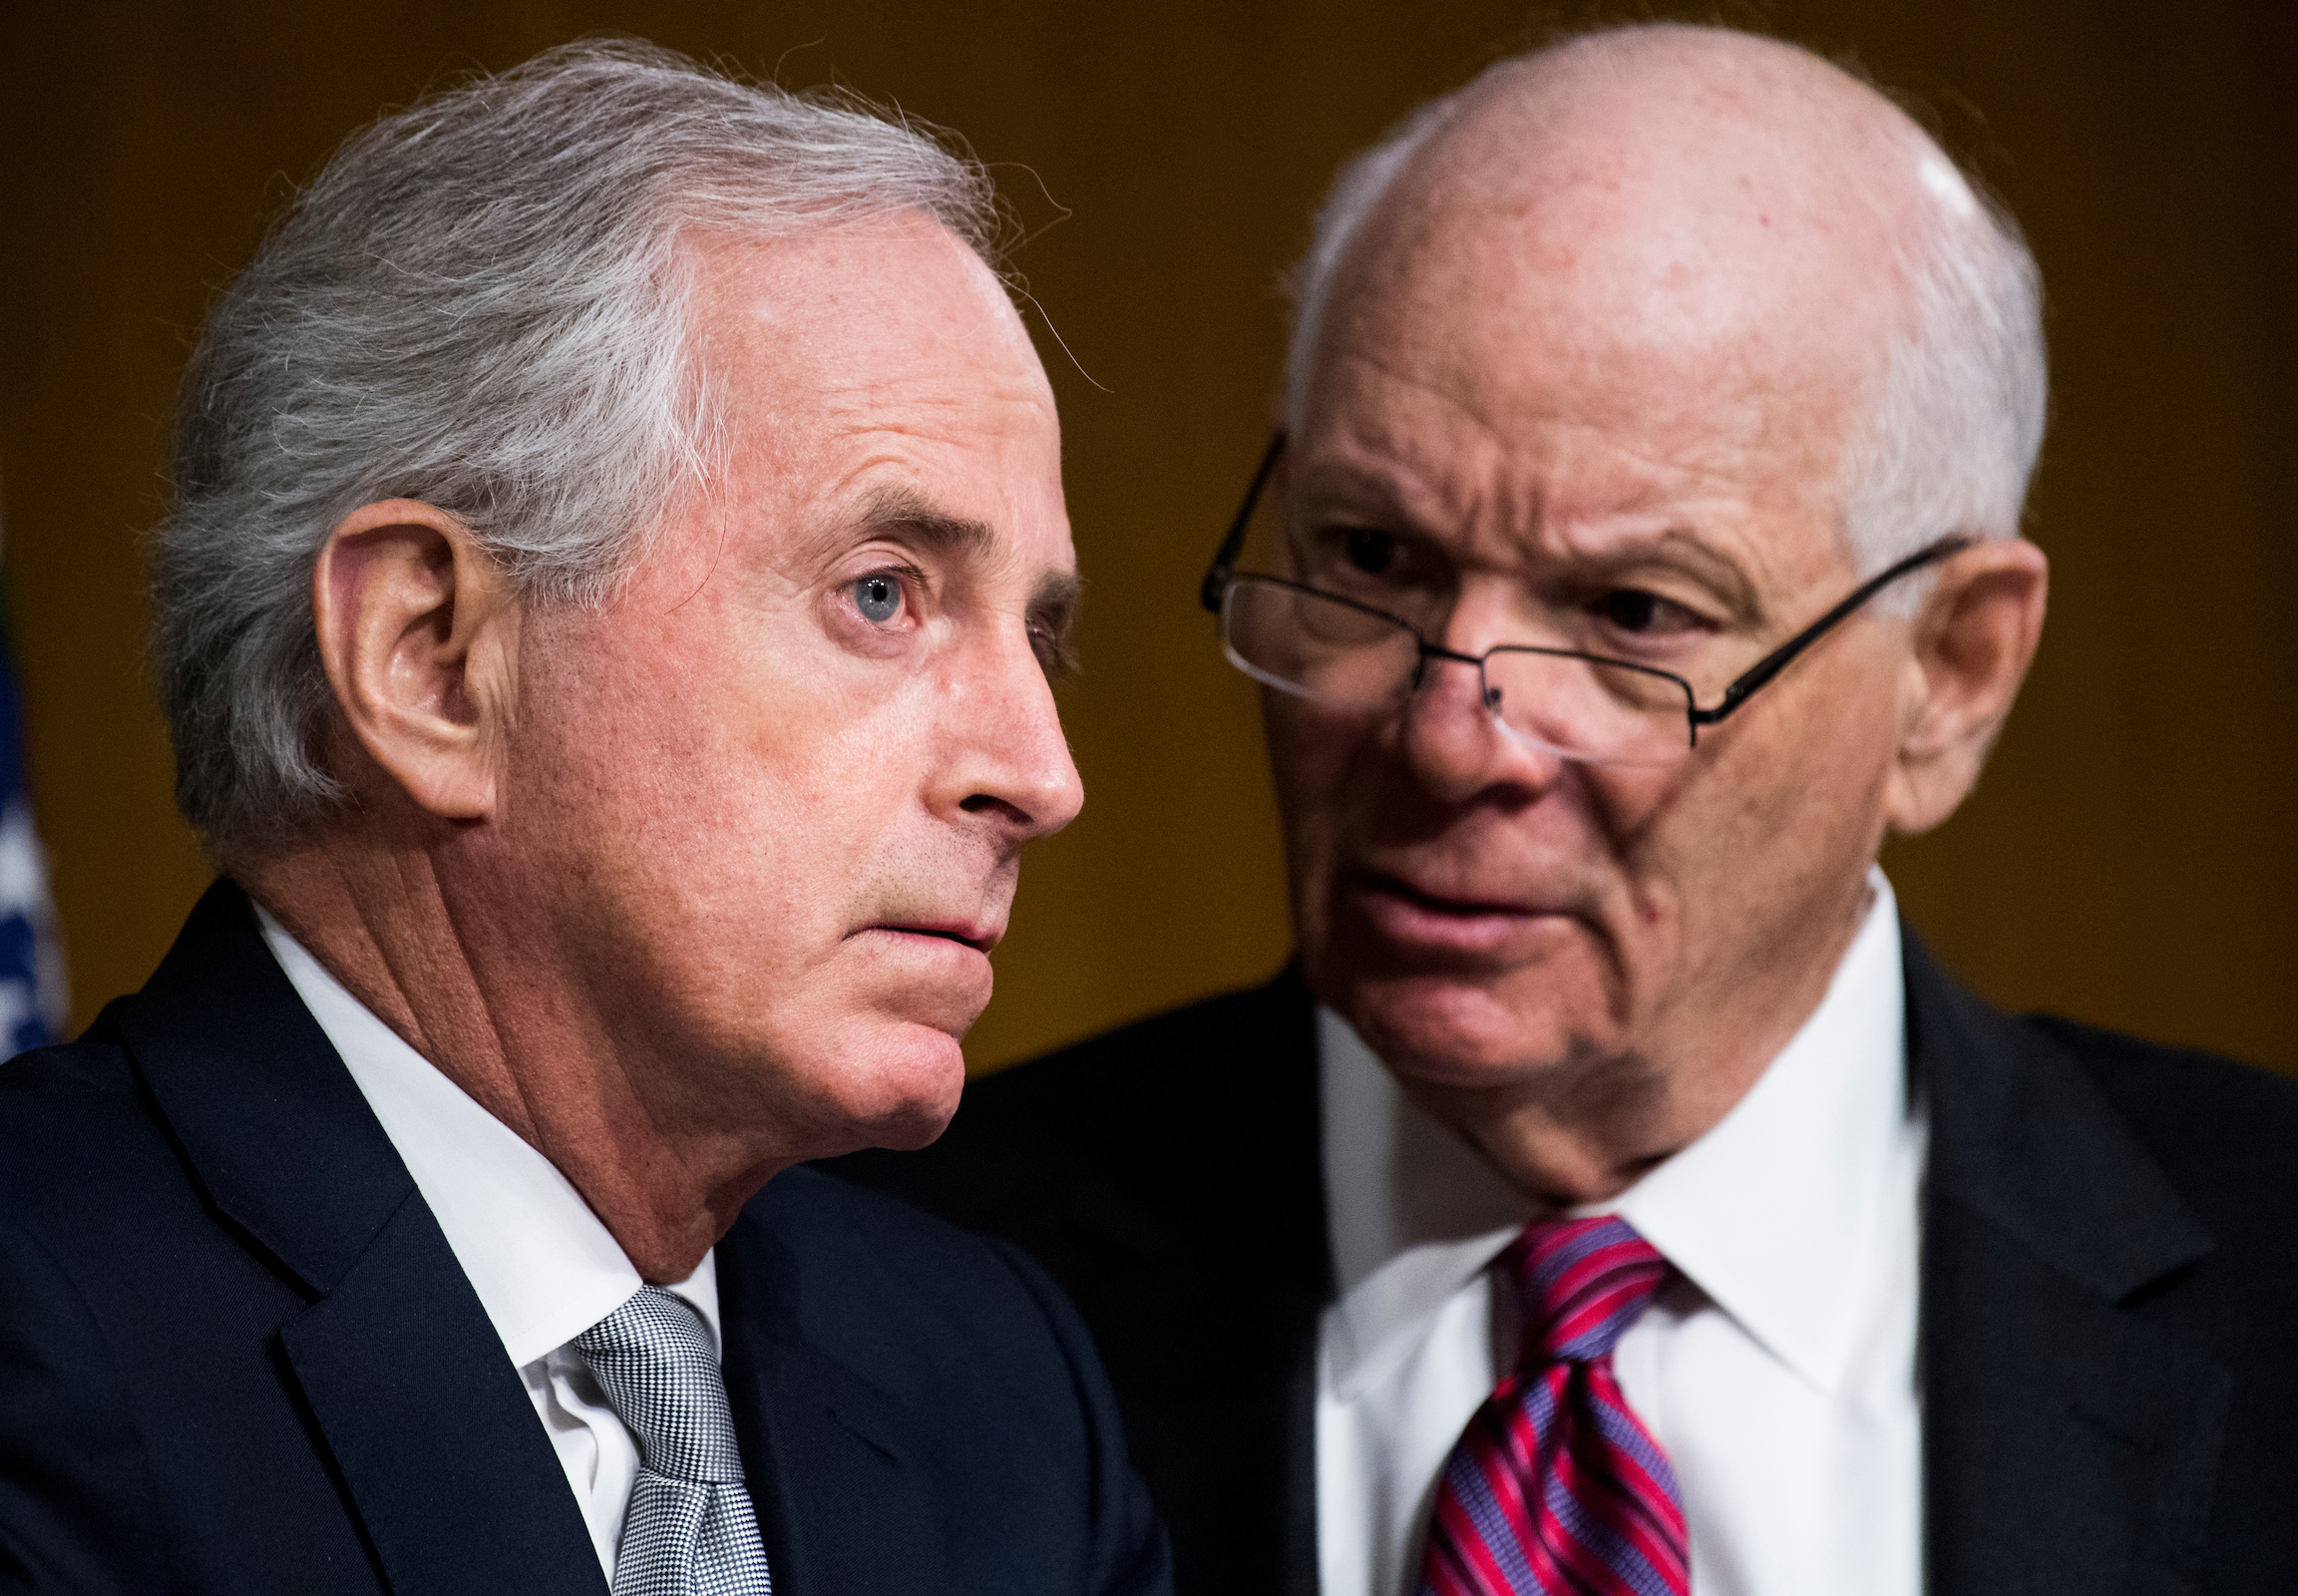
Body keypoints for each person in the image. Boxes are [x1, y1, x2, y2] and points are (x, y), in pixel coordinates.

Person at [837, 22, 2298, 1596]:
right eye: (1373, 561)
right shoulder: (874, 1295)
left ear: (1952, 675)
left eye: (1633, 614)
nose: (1456, 742)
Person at [0, 41, 1170, 1596]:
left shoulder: (998, 1392)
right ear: (431, 661)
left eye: (1035, 633)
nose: (1042, 776)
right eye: (884, 595)